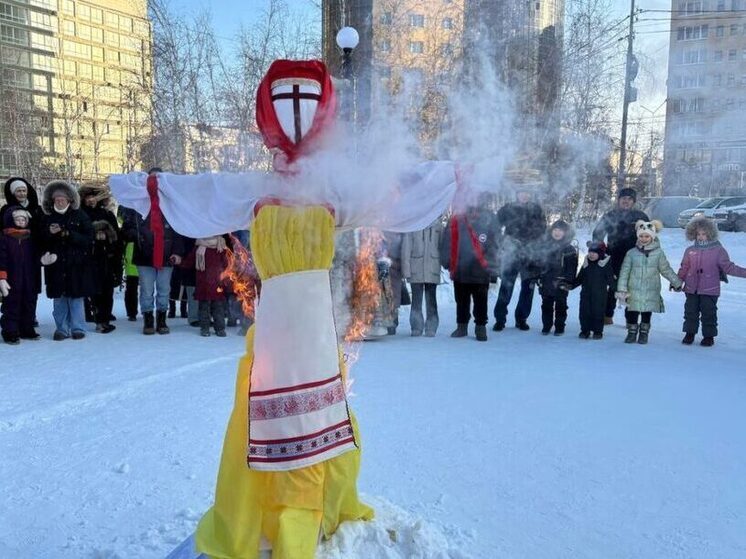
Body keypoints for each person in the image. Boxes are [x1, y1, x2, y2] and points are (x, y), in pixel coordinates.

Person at [120, 168, 185, 335]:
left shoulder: (171, 203)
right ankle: (148, 319)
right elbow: (126, 228)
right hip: (144, 255)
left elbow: (178, 230)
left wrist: (177, 252)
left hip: (166, 255)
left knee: (164, 290)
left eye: (158, 179)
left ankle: (162, 320)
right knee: (147, 291)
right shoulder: (138, 203)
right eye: (153, 179)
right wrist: (139, 235)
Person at [677, 216, 746, 347]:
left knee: (709, 313)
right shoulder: (690, 250)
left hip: (710, 289)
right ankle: (689, 333)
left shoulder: (718, 250)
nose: (701, 237)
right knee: (690, 312)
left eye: (704, 234)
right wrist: (677, 281)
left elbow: (729, 267)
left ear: (710, 233)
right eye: (698, 234)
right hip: (691, 288)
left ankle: (709, 336)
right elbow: (684, 268)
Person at [39, 180, 95, 341]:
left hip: (77, 264)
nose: (60, 201)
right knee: (59, 298)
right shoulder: (47, 217)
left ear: (70, 200)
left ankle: (78, 328)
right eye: (56, 199)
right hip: (56, 264)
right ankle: (61, 328)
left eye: (62, 199)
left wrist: (69, 234)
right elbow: (40, 240)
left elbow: (88, 238)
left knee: (76, 297)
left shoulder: (80, 215)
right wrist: (49, 234)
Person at [440, 195, 500, 341]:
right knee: (461, 299)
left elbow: (495, 244)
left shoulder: (489, 218)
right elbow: (448, 240)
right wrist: (446, 260)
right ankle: (462, 326)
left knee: (481, 300)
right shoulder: (456, 218)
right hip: (460, 266)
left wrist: (492, 266)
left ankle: (480, 326)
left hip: (481, 268)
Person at [616, 220, 683, 344]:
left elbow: (665, 269)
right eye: (641, 236)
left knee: (647, 312)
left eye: (647, 236)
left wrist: (676, 282)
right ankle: (631, 332)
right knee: (632, 312)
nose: (644, 239)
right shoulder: (631, 253)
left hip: (651, 289)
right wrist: (622, 289)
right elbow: (624, 272)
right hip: (633, 289)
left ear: (652, 236)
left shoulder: (658, 253)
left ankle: (644, 332)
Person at [592, 187, 649, 325]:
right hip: (613, 256)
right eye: (623, 198)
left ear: (634, 201)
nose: (626, 201)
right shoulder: (610, 215)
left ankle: (630, 320)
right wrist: (598, 251)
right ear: (618, 200)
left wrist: (646, 252)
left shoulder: (641, 217)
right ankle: (607, 315)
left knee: (631, 289)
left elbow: (649, 237)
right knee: (612, 287)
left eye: (629, 199)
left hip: (634, 257)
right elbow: (597, 234)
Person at [492, 185, 546, 331]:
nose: (524, 195)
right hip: (512, 252)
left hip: (530, 254)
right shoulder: (507, 208)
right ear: (517, 194)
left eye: (527, 193)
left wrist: (537, 250)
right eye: (522, 192)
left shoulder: (537, 210)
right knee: (506, 286)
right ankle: (500, 319)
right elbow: (495, 227)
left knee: (528, 289)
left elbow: (543, 232)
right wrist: (503, 240)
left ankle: (521, 318)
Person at [80, 185, 122, 334]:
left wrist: (116, 256)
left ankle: (104, 319)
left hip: (106, 258)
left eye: (94, 197)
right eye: (88, 197)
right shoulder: (80, 214)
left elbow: (117, 239)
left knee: (107, 290)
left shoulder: (107, 214)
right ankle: (96, 318)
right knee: (92, 290)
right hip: (88, 259)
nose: (91, 200)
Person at [1, 177, 43, 327]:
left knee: (31, 289)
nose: (21, 193)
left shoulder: (35, 209)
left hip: (32, 253)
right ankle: (12, 321)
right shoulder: (6, 210)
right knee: (13, 291)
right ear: (13, 193)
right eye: (18, 191)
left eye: (24, 190)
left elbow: (41, 230)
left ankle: (29, 319)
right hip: (13, 256)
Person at [0, 207, 40, 344]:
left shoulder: (30, 238)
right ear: (11, 220)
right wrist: (2, 277)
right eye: (18, 219)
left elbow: (35, 257)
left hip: (28, 278)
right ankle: (10, 331)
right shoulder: (5, 237)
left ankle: (26, 328)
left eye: (24, 219)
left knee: (29, 302)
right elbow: (2, 258)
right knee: (12, 304)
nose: (21, 221)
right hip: (12, 278)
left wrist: (42, 260)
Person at [561, 241, 616, 339]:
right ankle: (585, 330)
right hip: (586, 294)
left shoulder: (605, 265)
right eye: (590, 252)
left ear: (600, 254)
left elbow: (611, 280)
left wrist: (618, 290)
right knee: (584, 312)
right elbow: (580, 278)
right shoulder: (586, 264)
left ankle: (597, 331)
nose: (591, 254)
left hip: (600, 295)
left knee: (598, 313)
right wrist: (570, 285)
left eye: (594, 252)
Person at [401, 216, 443, 337]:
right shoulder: (414, 223)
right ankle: (416, 326)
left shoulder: (438, 225)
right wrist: (406, 270)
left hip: (432, 266)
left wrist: (444, 263)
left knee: (432, 300)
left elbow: (441, 246)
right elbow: (406, 247)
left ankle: (432, 326)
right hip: (416, 267)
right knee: (416, 300)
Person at [181, 235, 230, 337]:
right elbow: (189, 262)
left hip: (217, 283)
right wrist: (179, 261)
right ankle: (205, 328)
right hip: (203, 284)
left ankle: (220, 328)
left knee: (218, 307)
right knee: (204, 308)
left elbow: (227, 264)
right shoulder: (199, 247)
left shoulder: (221, 246)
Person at [537, 220, 578, 336]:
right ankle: (546, 325)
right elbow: (539, 264)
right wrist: (538, 277)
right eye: (555, 230)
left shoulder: (569, 249)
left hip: (561, 282)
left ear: (565, 233)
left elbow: (572, 268)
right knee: (546, 305)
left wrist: (568, 281)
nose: (557, 233)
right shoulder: (545, 246)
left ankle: (560, 326)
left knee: (561, 305)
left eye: (560, 230)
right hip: (546, 281)